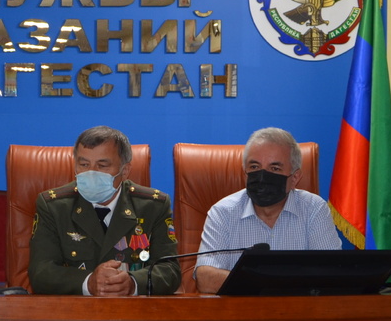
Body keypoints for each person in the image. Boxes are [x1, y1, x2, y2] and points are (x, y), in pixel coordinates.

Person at [28, 126, 180, 295]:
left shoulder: (153, 206)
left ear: (125, 171)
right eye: (84, 164)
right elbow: (41, 272)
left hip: (132, 308)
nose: (91, 173)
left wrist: (133, 283)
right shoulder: (53, 206)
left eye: (102, 165)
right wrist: (88, 282)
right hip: (74, 308)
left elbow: (170, 270)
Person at [194, 127, 341, 294]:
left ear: (295, 178)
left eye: (275, 169)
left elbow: (332, 275)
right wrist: (279, 283)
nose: (262, 176)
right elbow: (205, 279)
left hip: (299, 310)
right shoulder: (223, 212)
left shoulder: (314, 209)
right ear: (245, 174)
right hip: (241, 310)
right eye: (254, 167)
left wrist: (258, 283)